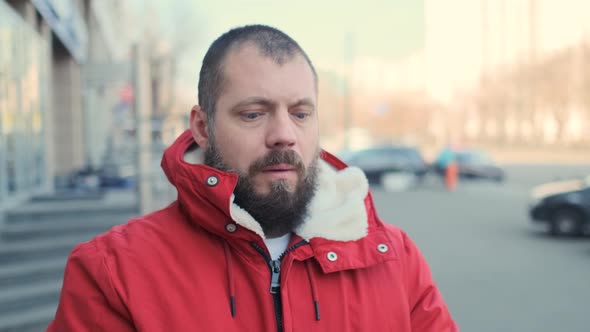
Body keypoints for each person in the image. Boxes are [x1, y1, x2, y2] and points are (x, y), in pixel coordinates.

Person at [48, 25, 458, 331]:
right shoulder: (113, 272)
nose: (284, 134)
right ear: (202, 128)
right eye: (253, 113)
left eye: (301, 113)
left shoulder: (395, 259)